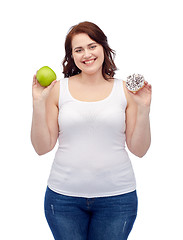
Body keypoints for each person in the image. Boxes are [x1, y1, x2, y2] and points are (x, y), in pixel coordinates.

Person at [31, 21, 152, 240]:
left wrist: (143, 110)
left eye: (92, 45)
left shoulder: (125, 90)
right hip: (63, 199)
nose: (87, 54)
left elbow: (139, 149)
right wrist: (39, 104)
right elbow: (42, 147)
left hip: (118, 199)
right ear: (71, 56)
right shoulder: (57, 89)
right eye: (78, 49)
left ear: (104, 48)